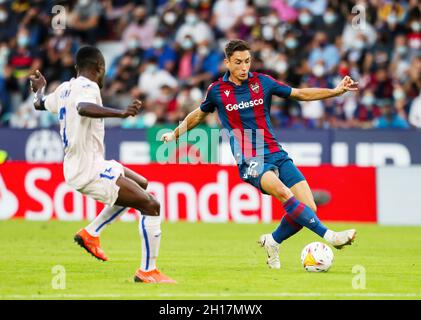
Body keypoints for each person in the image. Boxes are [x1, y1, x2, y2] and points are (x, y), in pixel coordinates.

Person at [161, 39, 358, 269]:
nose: (244, 67)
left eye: (247, 61)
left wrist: (335, 92)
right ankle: (331, 236)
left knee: (309, 208)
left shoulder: (263, 82)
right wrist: (175, 134)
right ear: (227, 62)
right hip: (249, 158)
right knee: (284, 193)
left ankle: (273, 241)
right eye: (238, 62)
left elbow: (300, 94)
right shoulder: (217, 91)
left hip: (275, 151)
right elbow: (198, 115)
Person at [29, 46, 175, 283]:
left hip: (86, 164)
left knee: (142, 184)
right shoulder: (89, 86)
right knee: (151, 205)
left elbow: (39, 104)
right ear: (99, 68)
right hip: (88, 169)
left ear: (76, 68)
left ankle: (91, 232)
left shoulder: (65, 88)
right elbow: (83, 108)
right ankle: (148, 271)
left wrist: (39, 90)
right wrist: (121, 113)